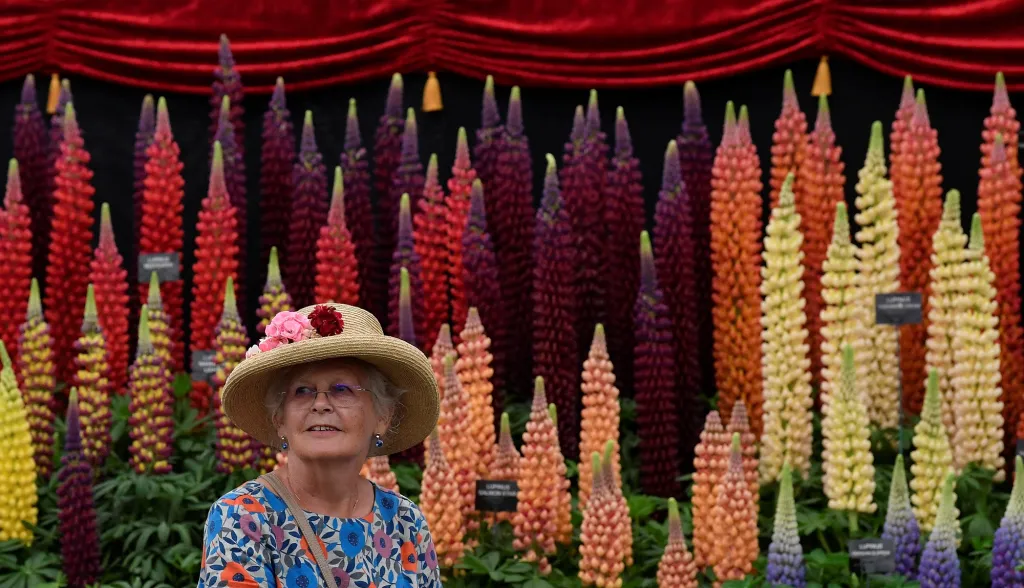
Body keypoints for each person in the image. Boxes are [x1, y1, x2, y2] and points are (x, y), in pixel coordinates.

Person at [198, 303, 443, 587]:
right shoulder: (243, 516)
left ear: (382, 417)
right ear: (279, 419)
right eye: (303, 391)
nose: (321, 404)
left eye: (342, 390)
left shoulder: (405, 520)